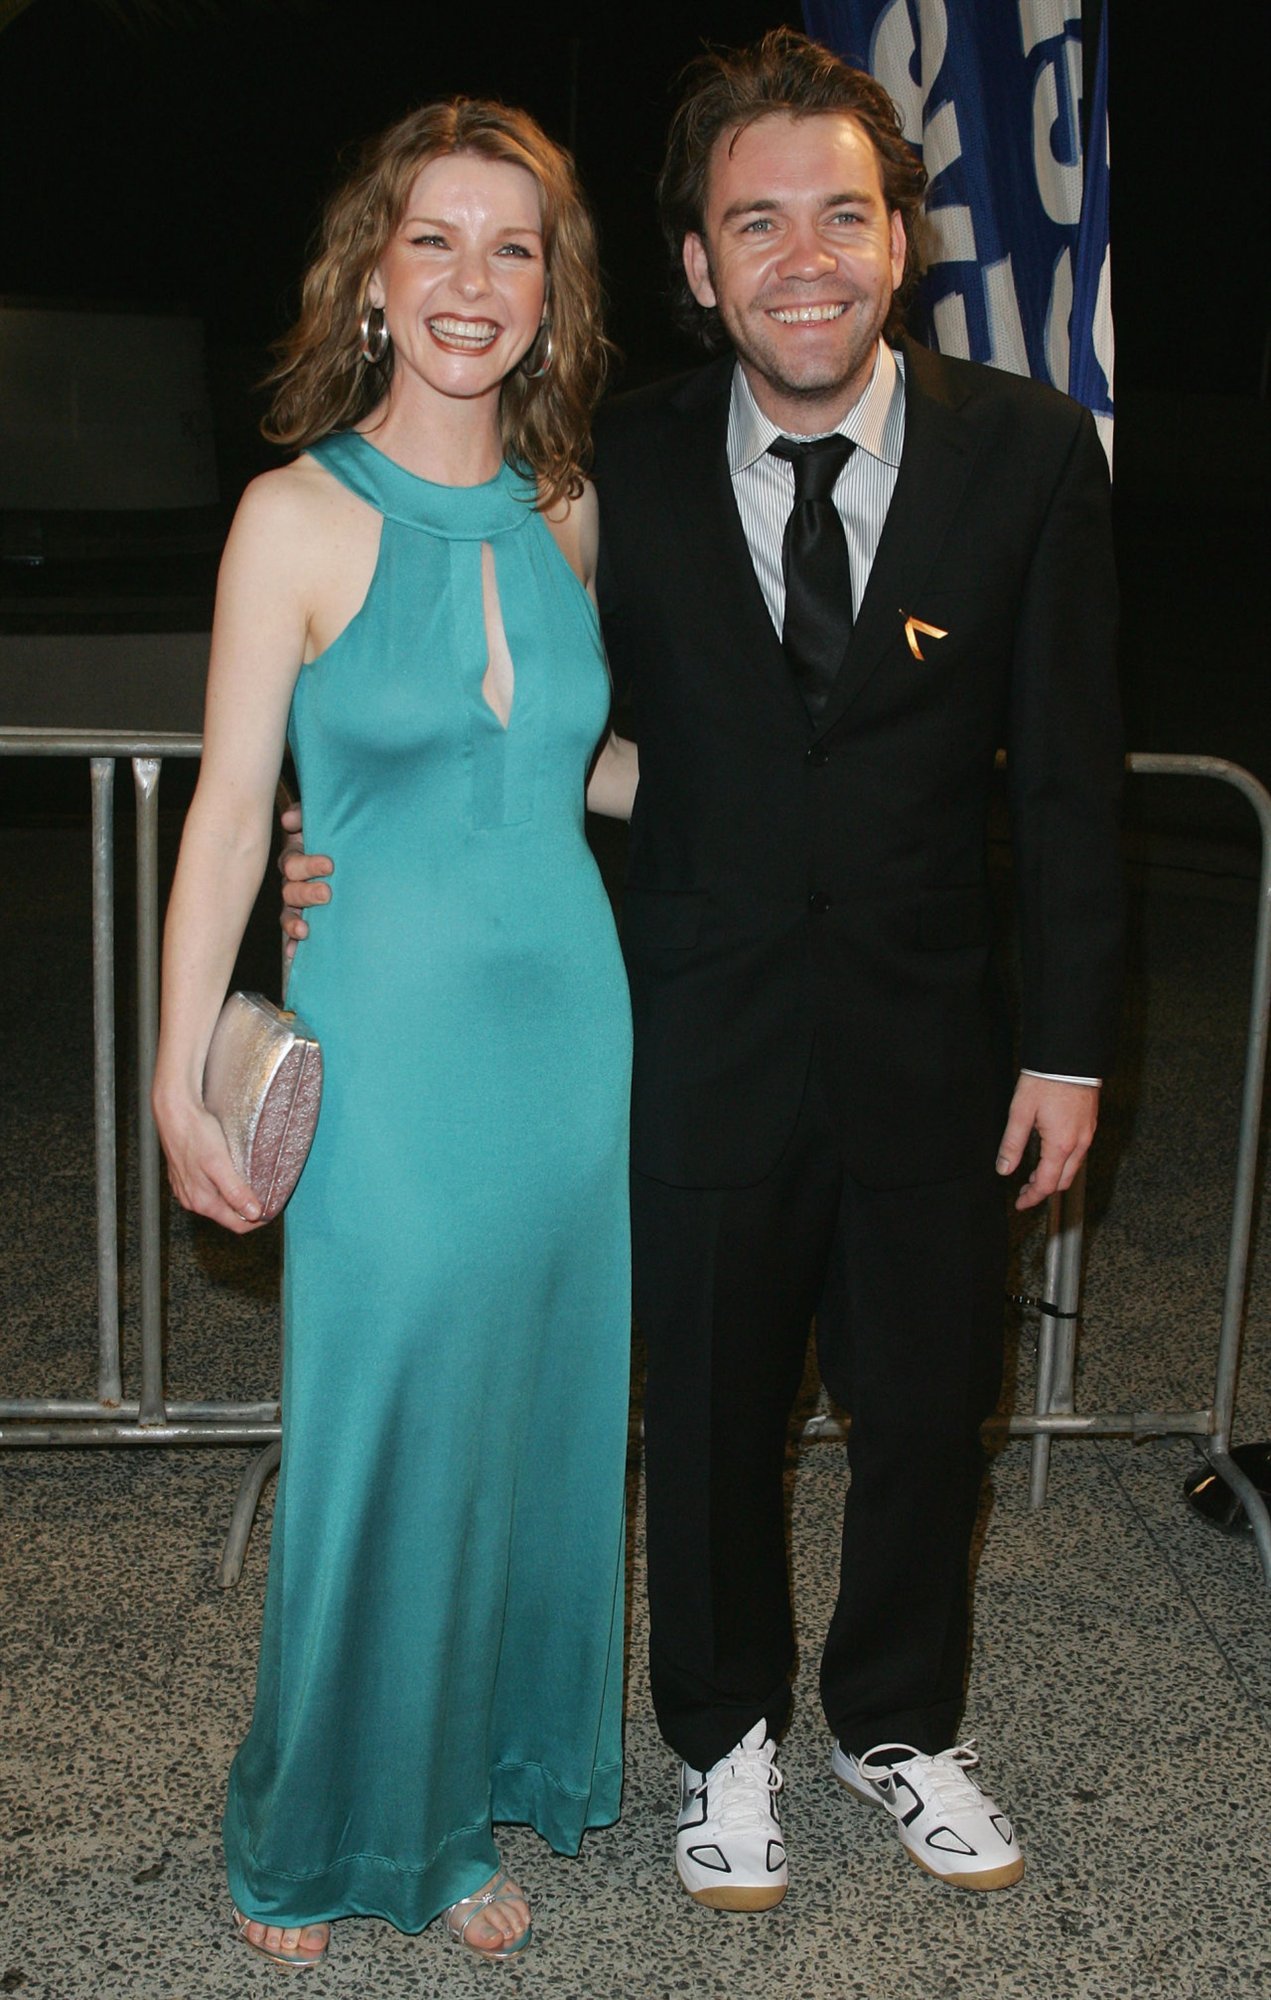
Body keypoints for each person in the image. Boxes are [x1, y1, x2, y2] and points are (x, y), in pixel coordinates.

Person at [285, 30, 1124, 1914]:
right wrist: (339, 824)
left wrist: (1071, 1048)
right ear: (695, 262)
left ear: (900, 239)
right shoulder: (611, 467)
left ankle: (898, 1722)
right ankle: (720, 1731)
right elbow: (497, 702)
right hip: (685, 1035)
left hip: (935, 1040)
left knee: (929, 1410)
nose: (802, 258)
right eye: (756, 223)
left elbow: (1072, 782)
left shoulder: (1028, 453)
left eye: (841, 215)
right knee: (713, 1416)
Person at [152, 97, 637, 1969]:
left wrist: (804, 785)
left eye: (513, 246)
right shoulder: (293, 515)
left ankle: (474, 1789)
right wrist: (177, 1074)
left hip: (568, 1039)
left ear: (552, 292)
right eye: (433, 238)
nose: (471, 280)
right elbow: (226, 817)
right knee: (385, 1432)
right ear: (371, 275)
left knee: (535, 1423)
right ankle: (327, 1826)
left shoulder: (565, 506)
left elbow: (573, 765)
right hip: (392, 1048)